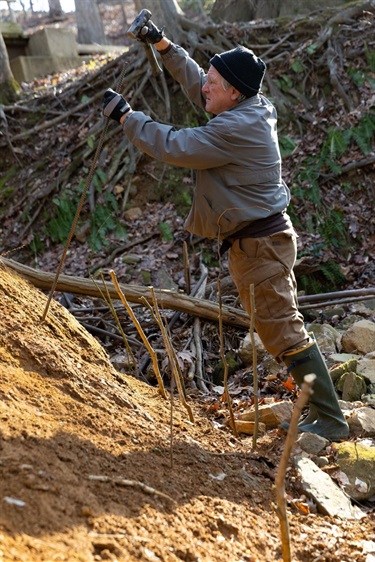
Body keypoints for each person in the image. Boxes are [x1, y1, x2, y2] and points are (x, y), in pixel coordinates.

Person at [102, 21, 349, 441]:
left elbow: (174, 146)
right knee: (276, 326)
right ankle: (319, 410)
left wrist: (128, 117)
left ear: (233, 92)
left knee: (282, 327)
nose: (205, 88)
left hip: (261, 245)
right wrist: (163, 45)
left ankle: (330, 418)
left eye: (215, 83)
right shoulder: (247, 106)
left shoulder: (234, 128)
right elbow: (200, 81)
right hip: (257, 242)